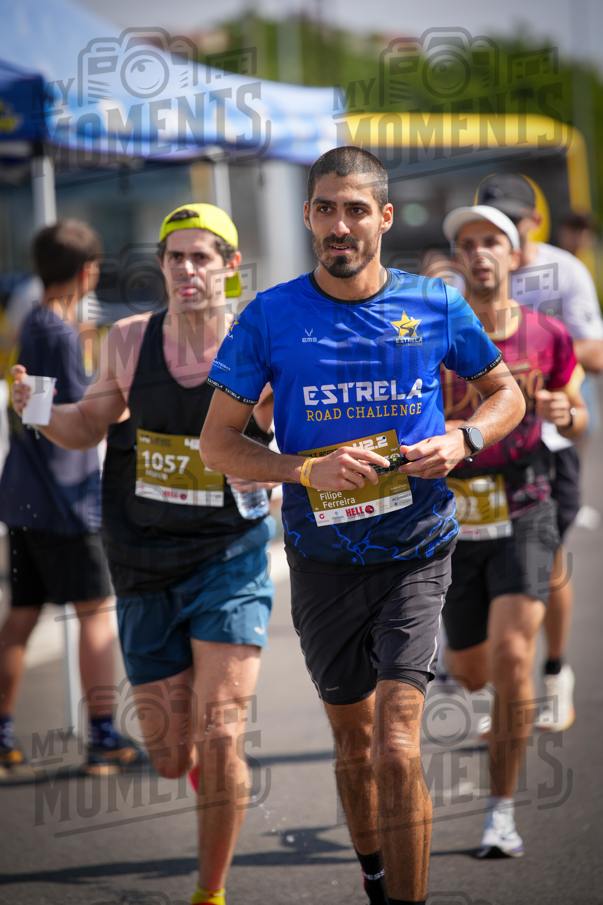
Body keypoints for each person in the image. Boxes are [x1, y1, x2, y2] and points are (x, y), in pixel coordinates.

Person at [199, 146, 525, 905]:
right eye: (325, 209)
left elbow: (504, 393)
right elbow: (217, 444)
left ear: (383, 217)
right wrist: (301, 470)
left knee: (396, 746)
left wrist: (464, 437)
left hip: (415, 550)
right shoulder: (269, 315)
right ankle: (376, 876)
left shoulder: (434, 303)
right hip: (322, 559)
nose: (338, 225)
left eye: (354, 209)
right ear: (308, 216)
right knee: (354, 744)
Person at [11, 203, 275, 905]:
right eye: (174, 256)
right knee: (169, 755)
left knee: (222, 734)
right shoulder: (129, 340)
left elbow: (288, 427)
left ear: (230, 265)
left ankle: (209, 891)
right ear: (160, 266)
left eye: (201, 256)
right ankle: (200, 775)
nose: (187, 268)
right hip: (142, 562)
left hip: (230, 557)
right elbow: (85, 426)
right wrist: (32, 406)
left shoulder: (256, 344)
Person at [440, 204, 588, 857]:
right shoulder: (432, 335)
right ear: (457, 259)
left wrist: (565, 411)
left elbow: (576, 412)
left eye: (491, 242)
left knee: (510, 654)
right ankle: (458, 673)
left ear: (514, 254)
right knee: (471, 671)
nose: (479, 253)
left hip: (526, 502)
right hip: (451, 516)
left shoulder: (546, 334)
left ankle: (499, 813)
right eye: (468, 244)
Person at [0, 220, 139, 775]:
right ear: (88, 271)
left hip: (25, 496)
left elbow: (33, 409)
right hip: (66, 502)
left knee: (21, 617)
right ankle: (103, 737)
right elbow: (86, 413)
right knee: (96, 615)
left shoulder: (33, 323)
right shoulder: (57, 332)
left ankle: (3, 734)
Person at [476, 173, 603, 731]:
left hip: (547, 444)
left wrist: (532, 353)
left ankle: (554, 673)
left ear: (532, 222)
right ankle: (498, 682)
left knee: (547, 562)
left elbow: (595, 351)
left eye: (510, 219)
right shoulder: (469, 275)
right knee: (481, 562)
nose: (497, 231)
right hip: (485, 447)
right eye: (488, 220)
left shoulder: (563, 271)